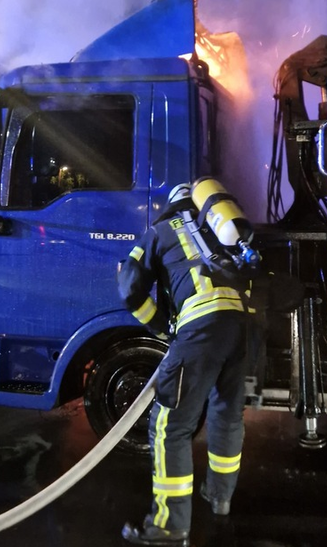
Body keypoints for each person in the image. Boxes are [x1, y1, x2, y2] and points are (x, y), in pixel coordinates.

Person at [117, 182, 255, 546]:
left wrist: (160, 325)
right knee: (226, 415)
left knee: (170, 426)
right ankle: (219, 497)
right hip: (241, 327)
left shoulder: (161, 230)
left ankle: (169, 525)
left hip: (201, 329)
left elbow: (128, 284)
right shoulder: (215, 233)